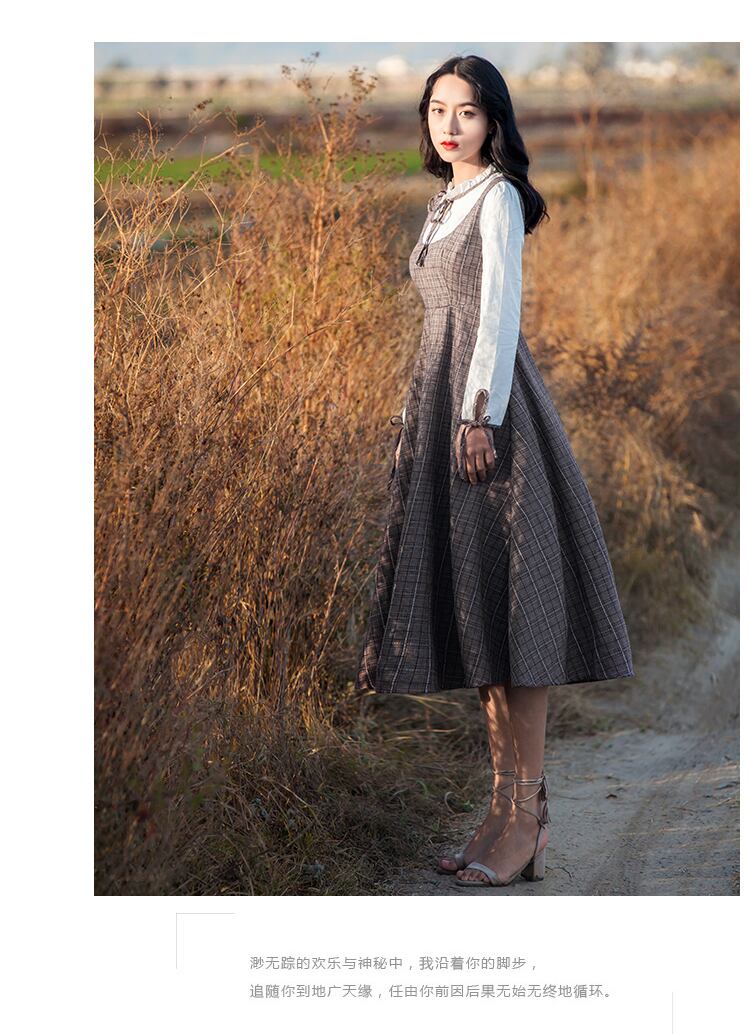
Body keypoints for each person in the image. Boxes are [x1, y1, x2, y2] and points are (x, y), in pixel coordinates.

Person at [356, 55, 635, 888]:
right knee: (480, 613)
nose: (450, 125)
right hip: (441, 414)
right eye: (438, 109)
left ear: (495, 122)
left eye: (468, 112)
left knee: (515, 613)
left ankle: (530, 816)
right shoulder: (444, 201)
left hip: (489, 420)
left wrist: (477, 414)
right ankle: (500, 813)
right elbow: (437, 326)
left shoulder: (499, 197)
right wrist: (418, 423)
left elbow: (498, 313)